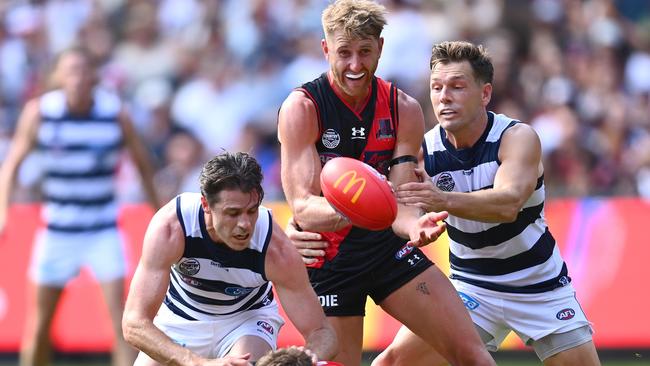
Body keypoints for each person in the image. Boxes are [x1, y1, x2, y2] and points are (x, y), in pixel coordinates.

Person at [277, 1, 495, 365]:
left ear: (380, 46)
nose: (355, 65)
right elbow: (303, 207)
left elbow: (399, 199)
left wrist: (414, 224)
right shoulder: (303, 108)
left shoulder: (403, 108)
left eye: (365, 52)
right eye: (344, 52)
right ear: (325, 48)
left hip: (386, 251)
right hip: (328, 261)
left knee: (473, 354)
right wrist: (366, 207)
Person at [372, 41, 601, 365]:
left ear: (485, 93)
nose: (444, 97)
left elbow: (507, 204)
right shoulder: (424, 149)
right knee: (390, 362)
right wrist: (413, 223)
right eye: (437, 87)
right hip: (473, 286)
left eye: (457, 86)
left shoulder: (516, 138)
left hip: (539, 284)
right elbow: (402, 205)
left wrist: (441, 199)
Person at [0, 47, 160, 366]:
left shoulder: (115, 113)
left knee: (123, 323)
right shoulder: (41, 112)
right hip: (57, 230)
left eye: (83, 70)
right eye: (71, 71)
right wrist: (3, 210)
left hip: (102, 229)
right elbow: (13, 163)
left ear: (94, 76)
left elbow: (142, 164)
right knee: (40, 324)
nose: (78, 78)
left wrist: (158, 212)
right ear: (58, 76)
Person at [122, 152, 338, 366]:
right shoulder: (172, 227)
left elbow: (322, 333)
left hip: (247, 320)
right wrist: (197, 363)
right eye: (233, 213)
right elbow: (134, 324)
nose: (244, 224)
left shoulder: (275, 248)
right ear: (206, 205)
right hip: (181, 317)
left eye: (251, 211)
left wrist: (305, 360)